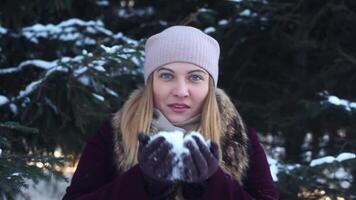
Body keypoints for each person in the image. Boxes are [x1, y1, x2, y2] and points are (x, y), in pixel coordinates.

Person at [63, 25, 279, 200]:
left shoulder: (238, 138)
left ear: (210, 85)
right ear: (151, 82)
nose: (180, 91)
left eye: (195, 77)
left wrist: (211, 184)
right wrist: (143, 183)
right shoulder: (113, 134)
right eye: (167, 76)